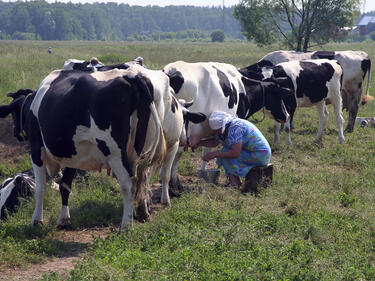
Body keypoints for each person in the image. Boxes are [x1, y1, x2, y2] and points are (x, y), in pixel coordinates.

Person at [194, 111, 271, 187]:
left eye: (218, 130)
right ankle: (236, 182)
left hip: (260, 154)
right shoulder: (228, 127)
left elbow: (235, 153)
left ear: (224, 125)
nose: (217, 133)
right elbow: (215, 142)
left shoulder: (235, 128)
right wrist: (199, 143)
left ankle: (234, 184)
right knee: (225, 152)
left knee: (225, 153)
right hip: (255, 153)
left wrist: (215, 154)